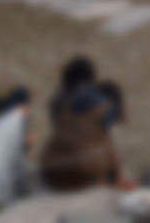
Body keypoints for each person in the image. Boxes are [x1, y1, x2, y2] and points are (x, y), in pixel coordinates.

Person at [40, 57, 126, 192]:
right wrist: (116, 177)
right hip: (82, 171)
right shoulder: (99, 102)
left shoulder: (56, 99)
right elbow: (107, 143)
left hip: (51, 168)